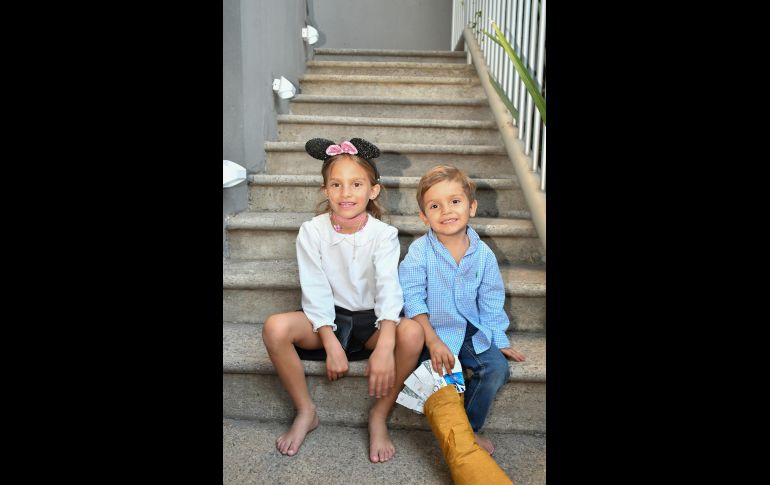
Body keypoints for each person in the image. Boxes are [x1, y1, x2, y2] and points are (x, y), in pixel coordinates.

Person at [262, 137, 424, 463]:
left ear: (373, 190)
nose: (346, 193)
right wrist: (330, 341)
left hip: (372, 322)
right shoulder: (312, 231)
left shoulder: (384, 235)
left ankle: (379, 415)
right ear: (325, 191)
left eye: (356, 184)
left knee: (413, 333)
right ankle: (306, 411)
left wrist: (384, 347)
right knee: (275, 327)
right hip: (326, 318)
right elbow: (315, 288)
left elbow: (389, 290)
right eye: (336, 184)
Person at [398, 165, 526, 455]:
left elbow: (491, 300)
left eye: (455, 201)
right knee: (438, 378)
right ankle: (448, 425)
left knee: (496, 369)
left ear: (472, 207)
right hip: (427, 329)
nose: (446, 211)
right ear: (423, 216)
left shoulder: (483, 254)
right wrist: (432, 340)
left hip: (468, 328)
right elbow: (412, 296)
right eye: (434, 205)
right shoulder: (420, 252)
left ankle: (466, 431)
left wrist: (498, 339)